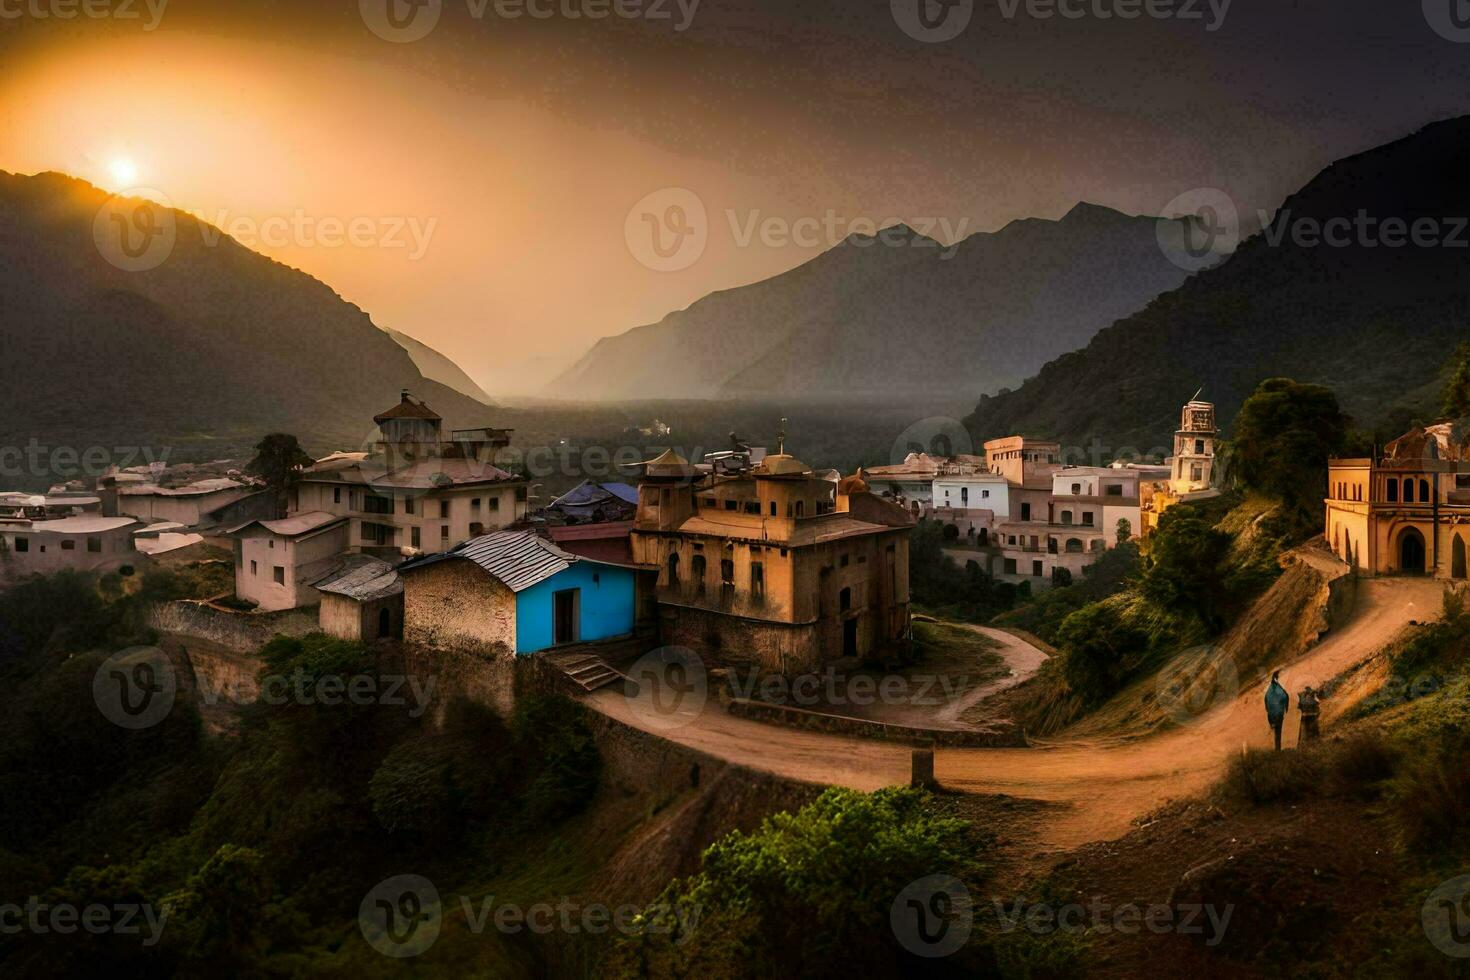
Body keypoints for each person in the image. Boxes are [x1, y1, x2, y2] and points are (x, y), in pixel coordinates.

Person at [1265, 670, 1289, 750]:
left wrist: (1268, 710)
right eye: (1278, 677)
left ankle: (1276, 748)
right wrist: (1286, 708)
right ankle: (1277, 748)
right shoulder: (1278, 688)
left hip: (1271, 715)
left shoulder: (1269, 690)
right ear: (1276, 678)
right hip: (1278, 714)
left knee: (1275, 730)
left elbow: (1266, 701)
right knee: (1278, 731)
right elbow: (1285, 696)